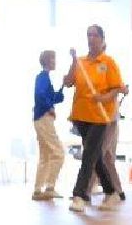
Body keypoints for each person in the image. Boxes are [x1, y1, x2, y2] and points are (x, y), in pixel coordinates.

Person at [62, 25, 123, 214]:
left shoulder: (108, 62)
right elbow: (68, 82)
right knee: (95, 155)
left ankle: (79, 195)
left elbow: (117, 87)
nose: (91, 38)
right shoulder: (80, 62)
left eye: (95, 35)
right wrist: (73, 61)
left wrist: (104, 98)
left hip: (100, 116)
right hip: (81, 115)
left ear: (102, 39)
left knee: (88, 155)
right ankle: (111, 191)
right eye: (88, 35)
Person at [30, 50, 66, 201]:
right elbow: (41, 95)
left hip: (40, 119)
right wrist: (50, 107)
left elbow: (54, 97)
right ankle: (50, 187)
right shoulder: (42, 77)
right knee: (59, 153)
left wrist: (63, 86)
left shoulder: (45, 78)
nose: (55, 62)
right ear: (47, 61)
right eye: (53, 59)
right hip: (44, 119)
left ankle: (38, 190)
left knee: (45, 155)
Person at [94, 82, 129, 207]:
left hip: (110, 121)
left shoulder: (112, 74)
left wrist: (118, 90)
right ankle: (118, 190)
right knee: (106, 158)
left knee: (99, 156)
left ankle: (85, 191)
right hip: (103, 121)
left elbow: (125, 90)